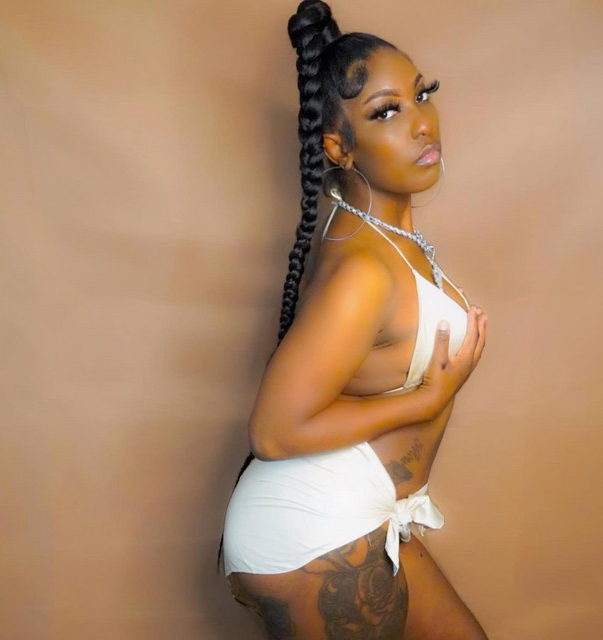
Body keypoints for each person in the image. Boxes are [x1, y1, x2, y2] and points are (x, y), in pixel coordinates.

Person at [219, 1, 489, 638]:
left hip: (354, 515)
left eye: (422, 94)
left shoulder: (382, 240)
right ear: (338, 147)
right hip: (315, 529)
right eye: (386, 112)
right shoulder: (364, 270)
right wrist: (427, 398)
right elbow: (274, 431)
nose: (421, 122)